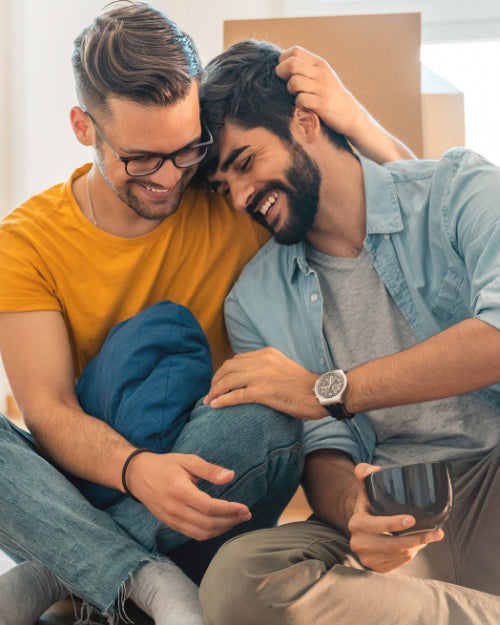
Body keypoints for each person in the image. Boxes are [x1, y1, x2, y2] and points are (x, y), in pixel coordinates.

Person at [0, 3, 413, 624]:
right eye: (142, 159)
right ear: (84, 128)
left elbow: (407, 211)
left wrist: (354, 118)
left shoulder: (228, 190)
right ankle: (142, 581)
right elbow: (48, 408)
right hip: (99, 481)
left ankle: (67, 572)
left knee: (264, 417)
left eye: (185, 150)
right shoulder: (24, 242)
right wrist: (137, 471)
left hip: (219, 471)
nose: (169, 180)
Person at [197, 39, 500, 625]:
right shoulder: (255, 299)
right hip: (397, 513)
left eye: (243, 162)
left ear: (305, 123)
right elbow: (323, 450)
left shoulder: (459, 190)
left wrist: (326, 389)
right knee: (239, 580)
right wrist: (351, 512)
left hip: (493, 475)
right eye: (221, 187)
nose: (238, 198)